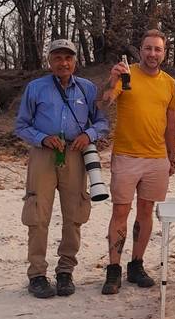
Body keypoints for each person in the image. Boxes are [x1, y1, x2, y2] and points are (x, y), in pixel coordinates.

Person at [14, 39, 109, 298]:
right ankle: (37, 275)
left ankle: (65, 271)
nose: (63, 63)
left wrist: (88, 135)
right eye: (57, 58)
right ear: (49, 61)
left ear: (75, 62)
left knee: (75, 214)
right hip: (44, 155)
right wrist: (42, 138)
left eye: (68, 58)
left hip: (76, 155)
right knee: (37, 214)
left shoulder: (88, 89)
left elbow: (102, 122)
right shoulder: (36, 88)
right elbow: (21, 125)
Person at [101, 29, 175, 295]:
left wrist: (172, 155)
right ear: (140, 50)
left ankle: (136, 264)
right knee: (120, 212)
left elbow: (171, 123)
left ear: (164, 53)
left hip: (157, 158)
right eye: (148, 48)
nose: (152, 54)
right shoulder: (126, 74)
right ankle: (113, 269)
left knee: (146, 212)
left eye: (158, 49)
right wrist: (112, 81)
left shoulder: (169, 82)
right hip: (126, 156)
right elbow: (105, 103)